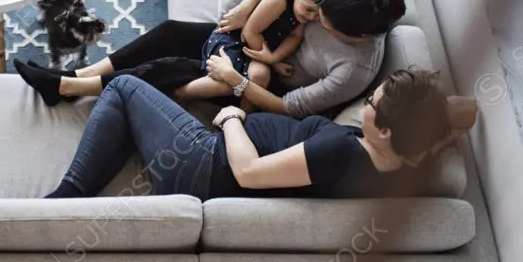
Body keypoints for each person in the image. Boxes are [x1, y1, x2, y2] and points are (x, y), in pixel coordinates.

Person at [14, 0, 406, 118]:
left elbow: (290, 109)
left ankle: (66, 87)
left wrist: (237, 80)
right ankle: (81, 79)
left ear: (350, 34)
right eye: (315, 10)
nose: (315, 15)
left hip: (262, 81)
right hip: (256, 38)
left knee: (171, 67)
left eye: (322, 18)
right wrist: (248, 6)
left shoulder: (354, 69)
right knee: (170, 32)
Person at [44, 69, 469, 200]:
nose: (366, 107)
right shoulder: (408, 163)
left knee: (124, 86)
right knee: (139, 113)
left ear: (388, 129)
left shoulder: (338, 152)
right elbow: (472, 112)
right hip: (210, 166)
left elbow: (247, 172)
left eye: (371, 107)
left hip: (205, 164)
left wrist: (231, 117)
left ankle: (67, 198)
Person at [179, 0, 338, 106]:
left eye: (317, 15)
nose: (311, 18)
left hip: (256, 51)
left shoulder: (302, 13)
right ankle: (180, 94)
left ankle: (242, 116)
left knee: (260, 76)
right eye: (309, 10)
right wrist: (271, 62)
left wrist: (274, 58)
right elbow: (250, 31)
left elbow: (295, 37)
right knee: (228, 84)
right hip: (234, 39)